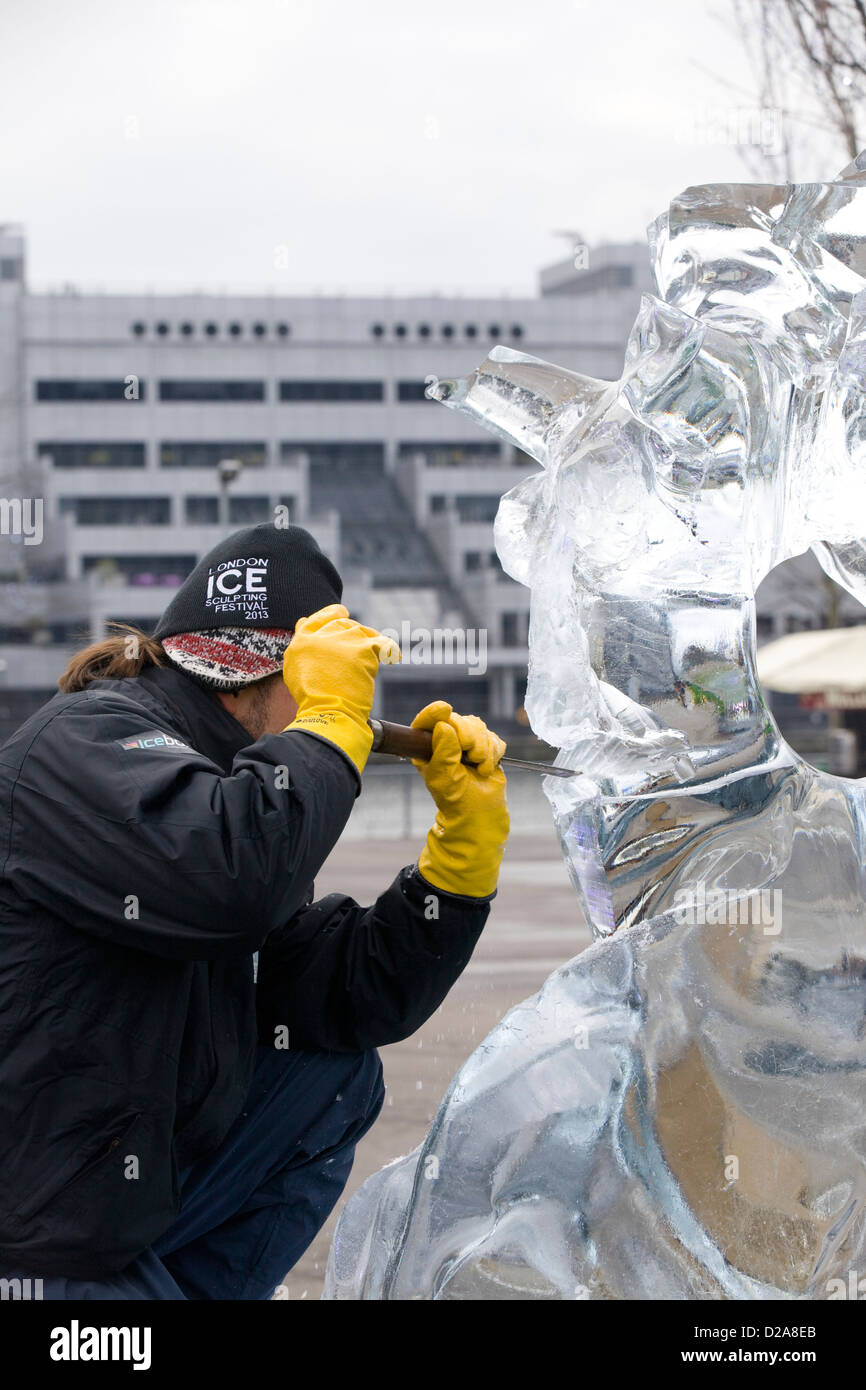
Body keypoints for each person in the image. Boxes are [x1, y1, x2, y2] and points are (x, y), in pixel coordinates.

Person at [0, 522, 509, 1300]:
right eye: (315, 688)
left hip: (124, 1200)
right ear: (255, 677)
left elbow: (342, 998)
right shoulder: (85, 742)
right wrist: (332, 725)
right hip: (40, 1233)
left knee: (333, 1076)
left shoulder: (220, 781)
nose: (327, 713)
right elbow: (229, 880)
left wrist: (455, 872)